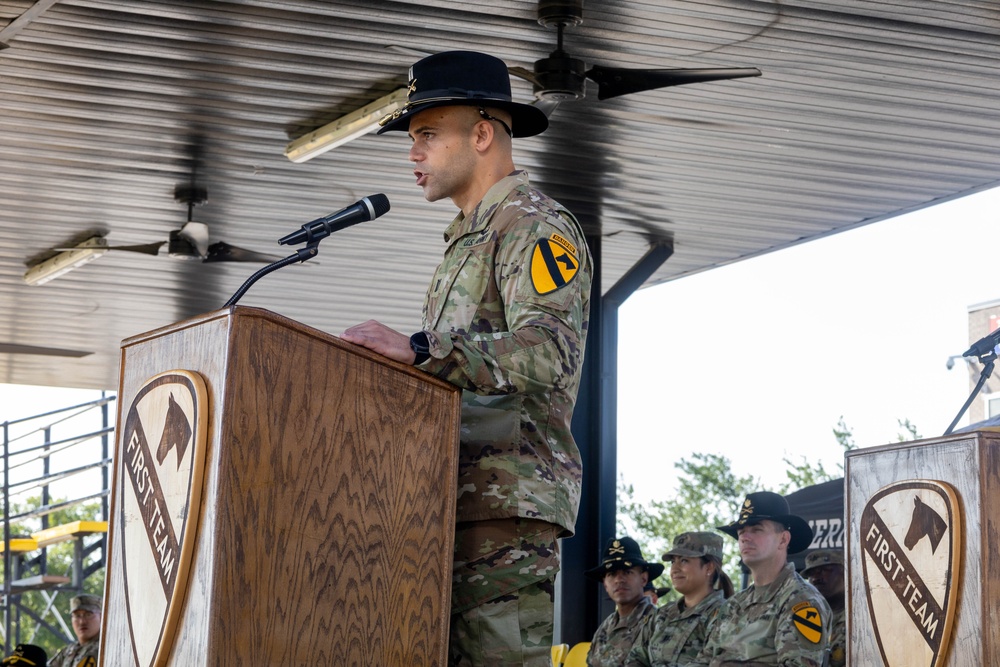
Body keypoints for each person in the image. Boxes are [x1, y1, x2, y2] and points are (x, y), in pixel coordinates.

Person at [341, 50, 592, 667]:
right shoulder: (468, 239)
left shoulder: (534, 227)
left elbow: (551, 350)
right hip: (442, 499)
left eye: (427, 134)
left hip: (504, 504)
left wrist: (421, 348)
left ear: (482, 134)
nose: (412, 153)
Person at [692, 492, 830, 666]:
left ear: (783, 539)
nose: (744, 537)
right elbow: (704, 660)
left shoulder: (801, 600)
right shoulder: (734, 605)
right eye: (741, 532)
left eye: (756, 529)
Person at [626, 532, 732, 666]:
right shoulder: (662, 615)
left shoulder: (726, 615)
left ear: (709, 567)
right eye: (672, 561)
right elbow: (635, 657)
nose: (674, 569)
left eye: (684, 561)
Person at [585, 537, 663, 667]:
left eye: (627, 572)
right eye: (611, 574)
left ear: (643, 579)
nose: (619, 580)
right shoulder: (605, 627)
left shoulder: (658, 622)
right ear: (605, 584)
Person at [802, 549, 846, 667]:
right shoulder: (805, 618)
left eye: (824, 570)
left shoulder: (863, 617)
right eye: (811, 574)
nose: (815, 578)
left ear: (846, 572)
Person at [49, 594, 101, 667]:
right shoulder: (66, 653)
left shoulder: (105, 649)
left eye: (88, 615)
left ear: (101, 617)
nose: (82, 622)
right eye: (77, 616)